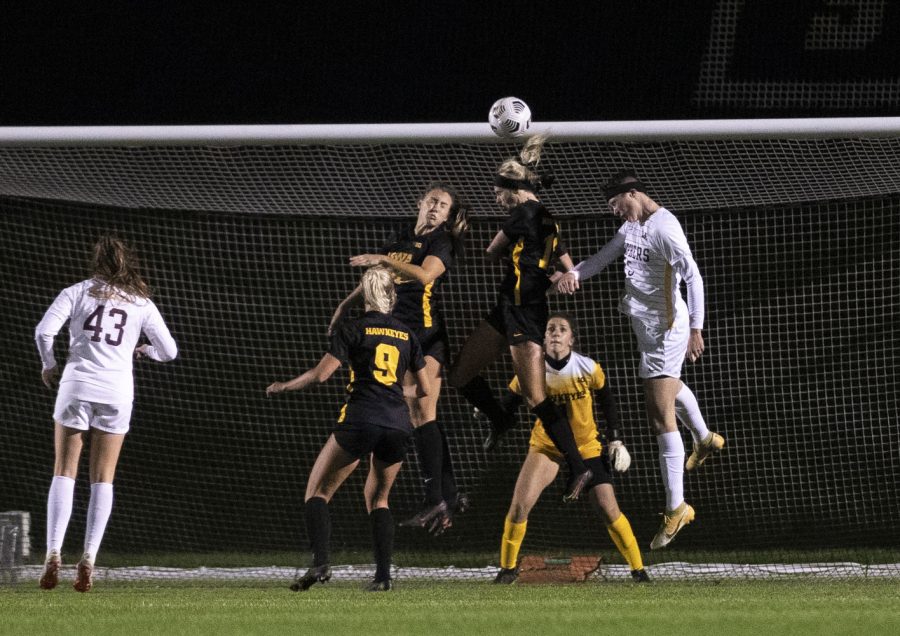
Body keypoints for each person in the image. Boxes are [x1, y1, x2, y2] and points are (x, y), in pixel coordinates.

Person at [556, 170, 724, 550]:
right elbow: (602, 257)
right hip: (647, 328)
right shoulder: (632, 226)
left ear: (633, 193)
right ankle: (704, 437)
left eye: (617, 204)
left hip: (668, 329)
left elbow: (693, 276)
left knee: (658, 412)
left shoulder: (665, 227)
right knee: (669, 390)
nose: (616, 212)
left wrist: (696, 329)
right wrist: (572, 275)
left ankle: (676, 507)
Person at [447, 134, 593, 502]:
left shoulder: (522, 214)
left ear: (513, 189)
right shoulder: (545, 216)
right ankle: (500, 418)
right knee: (461, 373)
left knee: (536, 398)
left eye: (499, 192)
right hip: (507, 308)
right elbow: (559, 255)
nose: (496, 199)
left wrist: (460, 237)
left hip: (526, 313)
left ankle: (579, 465)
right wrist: (567, 274)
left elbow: (492, 252)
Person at [268, 266, 431, 592]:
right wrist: (398, 393)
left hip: (361, 419)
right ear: (392, 296)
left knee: (317, 492)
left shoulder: (352, 329)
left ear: (364, 294)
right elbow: (424, 390)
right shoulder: (407, 334)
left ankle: (321, 563)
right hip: (398, 424)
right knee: (379, 498)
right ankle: (383, 577)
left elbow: (320, 375)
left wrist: (284, 386)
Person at [34, 234, 178, 592]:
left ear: (95, 262)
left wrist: (48, 364)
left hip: (76, 387)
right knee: (103, 478)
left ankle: (53, 552)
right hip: (116, 392)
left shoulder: (76, 292)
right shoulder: (140, 302)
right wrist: (144, 351)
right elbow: (171, 351)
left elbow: (43, 331)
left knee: (64, 472)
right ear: (126, 263)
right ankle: (89, 559)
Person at [328, 182, 470, 533]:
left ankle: (436, 496)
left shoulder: (441, 242)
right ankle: (446, 495)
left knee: (424, 411)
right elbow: (379, 278)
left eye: (444, 206)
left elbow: (424, 276)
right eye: (433, 201)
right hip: (396, 336)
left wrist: (383, 259)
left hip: (425, 335)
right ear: (421, 203)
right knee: (419, 416)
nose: (436, 208)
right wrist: (344, 306)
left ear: (448, 216)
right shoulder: (401, 238)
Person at [493, 313, 649, 584]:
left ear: (571, 339)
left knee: (608, 508)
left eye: (562, 329)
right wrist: (488, 411)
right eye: (550, 328)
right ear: (543, 337)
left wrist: (615, 439)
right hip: (546, 447)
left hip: (587, 447)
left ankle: (639, 570)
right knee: (519, 506)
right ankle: (507, 569)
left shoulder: (587, 367)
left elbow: (607, 401)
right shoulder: (532, 368)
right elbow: (509, 402)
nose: (555, 332)